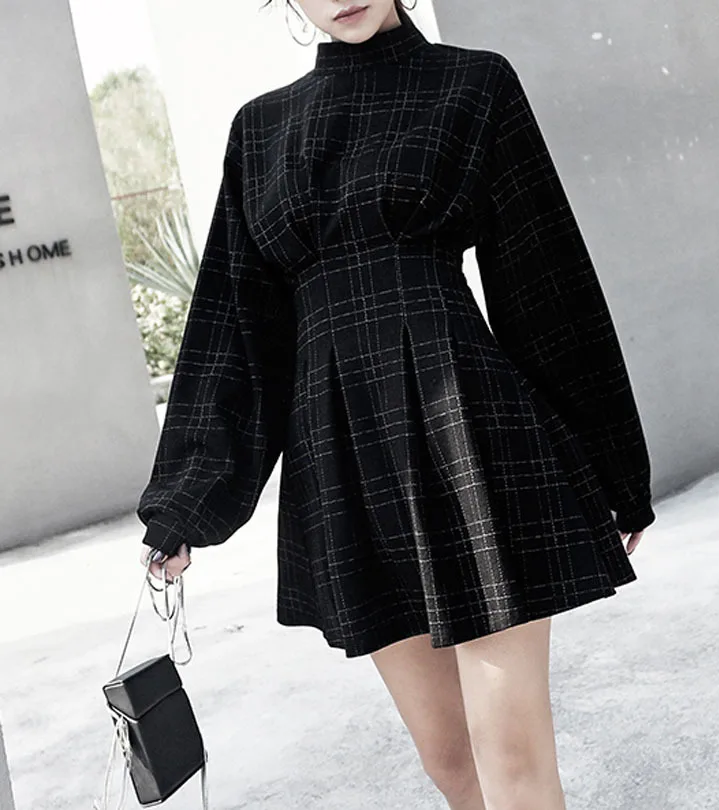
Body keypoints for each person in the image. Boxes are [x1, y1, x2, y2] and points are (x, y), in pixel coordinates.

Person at [137, 1, 656, 808]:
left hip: (469, 436)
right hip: (344, 456)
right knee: (450, 761)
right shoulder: (260, 129)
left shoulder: (473, 84)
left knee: (511, 755)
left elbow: (545, 280)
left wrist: (613, 466)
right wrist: (186, 503)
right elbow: (237, 329)